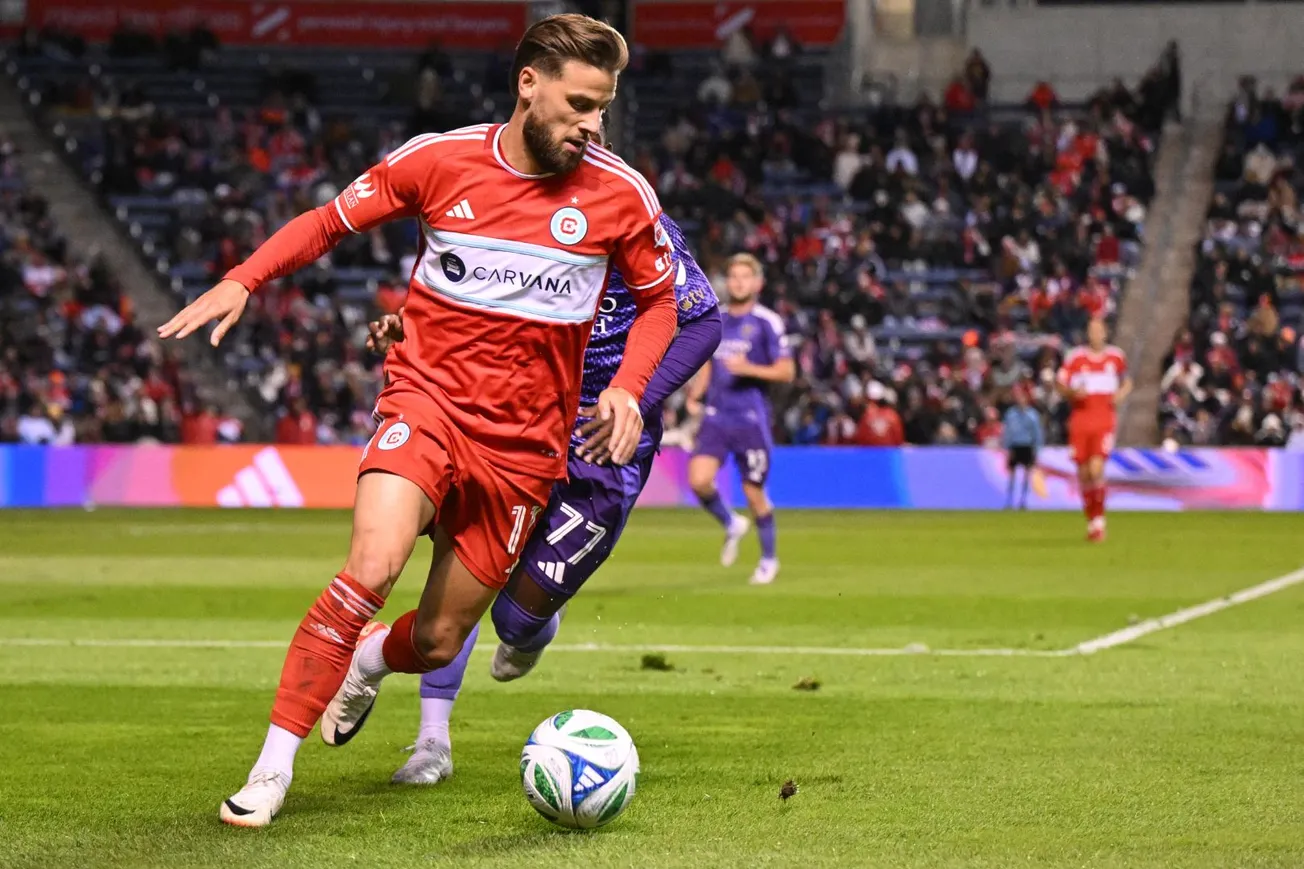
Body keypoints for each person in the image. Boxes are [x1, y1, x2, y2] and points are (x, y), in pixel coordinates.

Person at [157, 14, 680, 827]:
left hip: (525, 450)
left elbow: (659, 304)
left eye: (602, 109)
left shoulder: (620, 194)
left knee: (436, 641)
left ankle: (370, 659)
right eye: (579, 104)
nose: (592, 125)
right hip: (426, 405)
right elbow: (329, 222)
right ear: (528, 84)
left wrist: (630, 389)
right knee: (370, 566)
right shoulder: (438, 161)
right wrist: (244, 279)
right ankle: (269, 770)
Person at [364, 202, 721, 785]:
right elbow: (465, 297)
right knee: (462, 575)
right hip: (514, 425)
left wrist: (635, 398)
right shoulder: (512, 206)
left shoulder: (635, 216)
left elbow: (703, 321)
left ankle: (532, 629)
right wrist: (411, 325)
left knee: (514, 618)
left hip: (604, 446)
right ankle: (432, 742)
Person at [685, 253, 795, 585]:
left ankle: (769, 559)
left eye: (745, 277)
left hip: (750, 418)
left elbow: (787, 370)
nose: (738, 282)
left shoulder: (767, 322)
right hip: (717, 416)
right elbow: (706, 362)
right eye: (733, 276)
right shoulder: (716, 319)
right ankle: (732, 524)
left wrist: (749, 369)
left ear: (758, 283)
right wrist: (695, 393)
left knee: (754, 493)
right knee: (698, 480)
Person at [1056, 319, 1132, 541]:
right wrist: (1071, 393)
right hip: (1080, 418)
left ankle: (1099, 522)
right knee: (1084, 473)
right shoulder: (1075, 357)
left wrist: (1120, 395)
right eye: (1092, 330)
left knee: (1096, 469)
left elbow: (1127, 382)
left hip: (1104, 418)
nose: (1095, 334)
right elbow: (1060, 384)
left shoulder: (1116, 357)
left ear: (1105, 333)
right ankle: (1091, 521)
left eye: (1099, 330)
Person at [1001, 384, 1043, 510]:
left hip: (1027, 446)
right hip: (1015, 446)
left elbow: (1037, 433)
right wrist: (1007, 447)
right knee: (1012, 474)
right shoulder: (1011, 414)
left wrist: (1037, 449)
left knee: (1026, 474)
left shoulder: (1032, 415)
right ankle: (1009, 500)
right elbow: (1007, 431)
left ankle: (1023, 500)